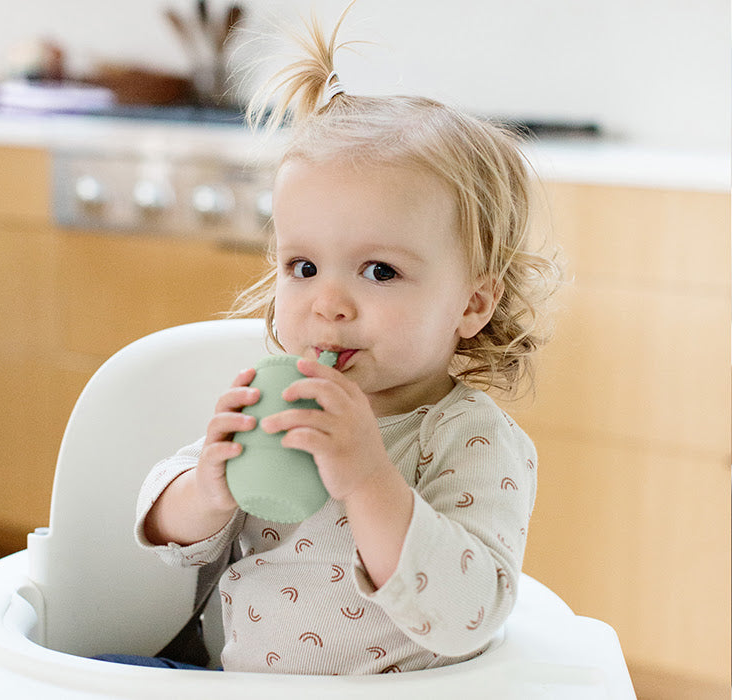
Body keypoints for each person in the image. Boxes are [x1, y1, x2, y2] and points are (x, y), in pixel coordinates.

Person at [132, 2, 560, 676]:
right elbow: (165, 540)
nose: (327, 303)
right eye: (303, 268)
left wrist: (366, 477)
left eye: (380, 270)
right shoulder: (279, 399)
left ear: (474, 302)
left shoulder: (466, 438)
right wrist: (205, 490)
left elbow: (466, 611)